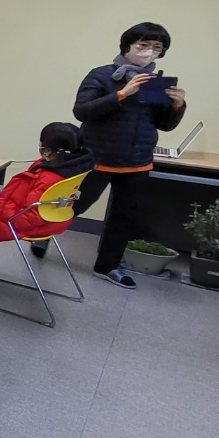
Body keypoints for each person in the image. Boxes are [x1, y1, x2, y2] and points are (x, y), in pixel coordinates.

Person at [68, 22, 187, 289]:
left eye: (157, 47)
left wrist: (178, 105)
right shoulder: (101, 75)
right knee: (76, 204)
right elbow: (82, 111)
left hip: (137, 160)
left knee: (124, 217)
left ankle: (107, 266)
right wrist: (122, 93)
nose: (149, 51)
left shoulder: (155, 83)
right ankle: (42, 235)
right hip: (97, 156)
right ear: (127, 46)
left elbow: (164, 124)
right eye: (143, 45)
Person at [0, 123, 93, 257]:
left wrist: (5, 215)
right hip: (52, 219)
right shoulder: (71, 167)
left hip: (20, 220)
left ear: (47, 151)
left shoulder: (50, 177)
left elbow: (30, 217)